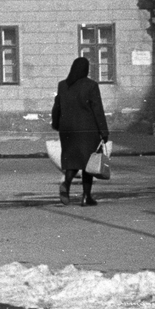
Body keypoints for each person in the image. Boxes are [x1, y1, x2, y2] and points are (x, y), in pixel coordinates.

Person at [51, 56, 109, 206]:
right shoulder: (91, 85)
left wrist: (56, 124)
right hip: (87, 130)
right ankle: (86, 197)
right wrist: (104, 131)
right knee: (88, 164)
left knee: (73, 161)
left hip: (67, 130)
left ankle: (67, 183)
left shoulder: (62, 85)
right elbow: (97, 109)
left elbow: (57, 107)